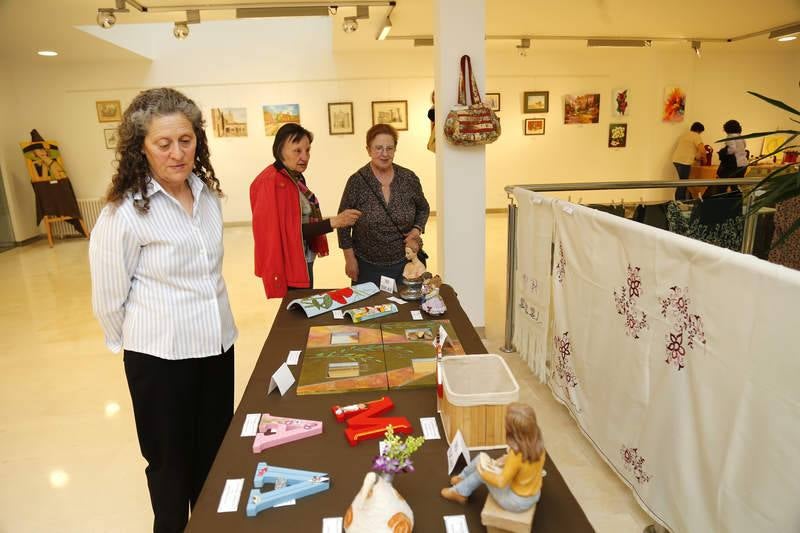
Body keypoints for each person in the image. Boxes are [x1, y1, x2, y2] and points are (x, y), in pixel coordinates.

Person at [89, 87, 238, 533]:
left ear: (198, 141)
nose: (178, 152)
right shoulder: (125, 213)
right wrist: (138, 344)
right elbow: (108, 298)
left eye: (186, 140)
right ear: (142, 148)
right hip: (160, 359)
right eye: (164, 143)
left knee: (214, 460)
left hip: (216, 348)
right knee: (170, 470)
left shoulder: (207, 196)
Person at [250, 123, 361, 298]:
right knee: (295, 312)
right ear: (280, 150)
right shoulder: (269, 182)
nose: (304, 157)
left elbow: (299, 219)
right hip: (289, 262)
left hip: (303, 257)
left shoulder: (294, 177)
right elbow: (284, 232)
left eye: (308, 150)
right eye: (297, 151)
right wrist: (335, 222)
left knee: (304, 304)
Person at [337, 123, 431, 287]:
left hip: (404, 264)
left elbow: (423, 208)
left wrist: (416, 230)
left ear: (395, 149)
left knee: (405, 309)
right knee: (368, 310)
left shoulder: (408, 178)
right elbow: (343, 225)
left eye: (390, 148)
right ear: (368, 149)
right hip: (367, 265)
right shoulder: (357, 181)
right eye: (378, 148)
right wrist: (349, 259)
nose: (384, 153)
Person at [440, 402, 545, 512]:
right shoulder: (538, 445)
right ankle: (462, 478)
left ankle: (460, 493)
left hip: (515, 501)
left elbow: (500, 482)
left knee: (481, 471)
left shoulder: (516, 455)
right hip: (533, 495)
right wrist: (502, 461)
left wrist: (483, 472)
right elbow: (524, 467)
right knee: (481, 458)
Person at [671, 121, 705, 200]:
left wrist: (696, 157)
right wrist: (705, 159)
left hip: (676, 160)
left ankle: (679, 201)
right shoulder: (696, 135)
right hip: (684, 162)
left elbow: (689, 149)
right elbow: (702, 150)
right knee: (683, 183)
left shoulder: (685, 135)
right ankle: (680, 202)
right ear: (698, 130)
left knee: (681, 182)